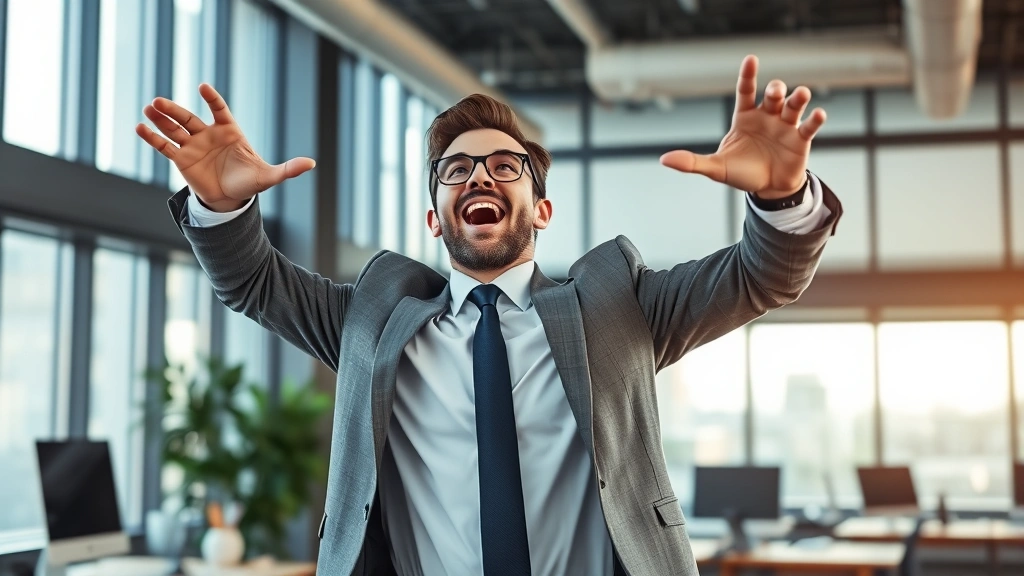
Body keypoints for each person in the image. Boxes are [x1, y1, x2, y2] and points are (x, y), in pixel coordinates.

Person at [136, 55, 842, 576]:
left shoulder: (616, 306)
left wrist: (781, 199)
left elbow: (760, 277)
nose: (479, 175)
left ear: (541, 209)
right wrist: (222, 206)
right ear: (434, 219)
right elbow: (253, 283)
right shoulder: (374, 323)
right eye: (455, 170)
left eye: (505, 166)